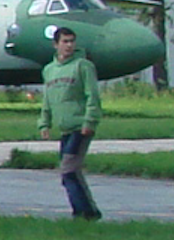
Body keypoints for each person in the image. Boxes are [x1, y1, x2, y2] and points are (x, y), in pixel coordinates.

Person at [37, 26, 103, 220]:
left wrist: (90, 121)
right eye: (64, 42)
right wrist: (44, 123)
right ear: (55, 44)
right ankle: (84, 210)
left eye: (71, 41)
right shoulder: (49, 70)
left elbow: (92, 96)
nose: (69, 45)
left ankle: (86, 212)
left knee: (69, 170)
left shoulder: (83, 66)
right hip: (64, 128)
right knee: (68, 173)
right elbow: (47, 99)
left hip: (80, 126)